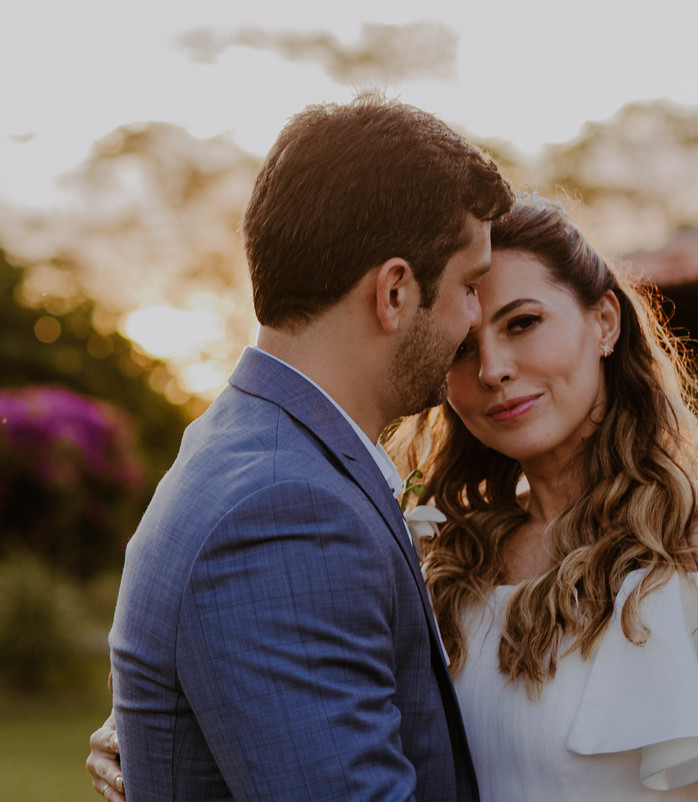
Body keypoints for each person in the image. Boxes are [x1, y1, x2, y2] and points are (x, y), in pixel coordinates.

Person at [91, 196, 698, 801]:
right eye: (468, 346)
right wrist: (173, 721)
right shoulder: (441, 556)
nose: (495, 370)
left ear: (603, 320)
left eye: (522, 324)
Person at [96, 91, 513, 802]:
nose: (475, 321)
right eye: (470, 287)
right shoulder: (286, 510)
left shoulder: (246, 444)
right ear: (394, 293)